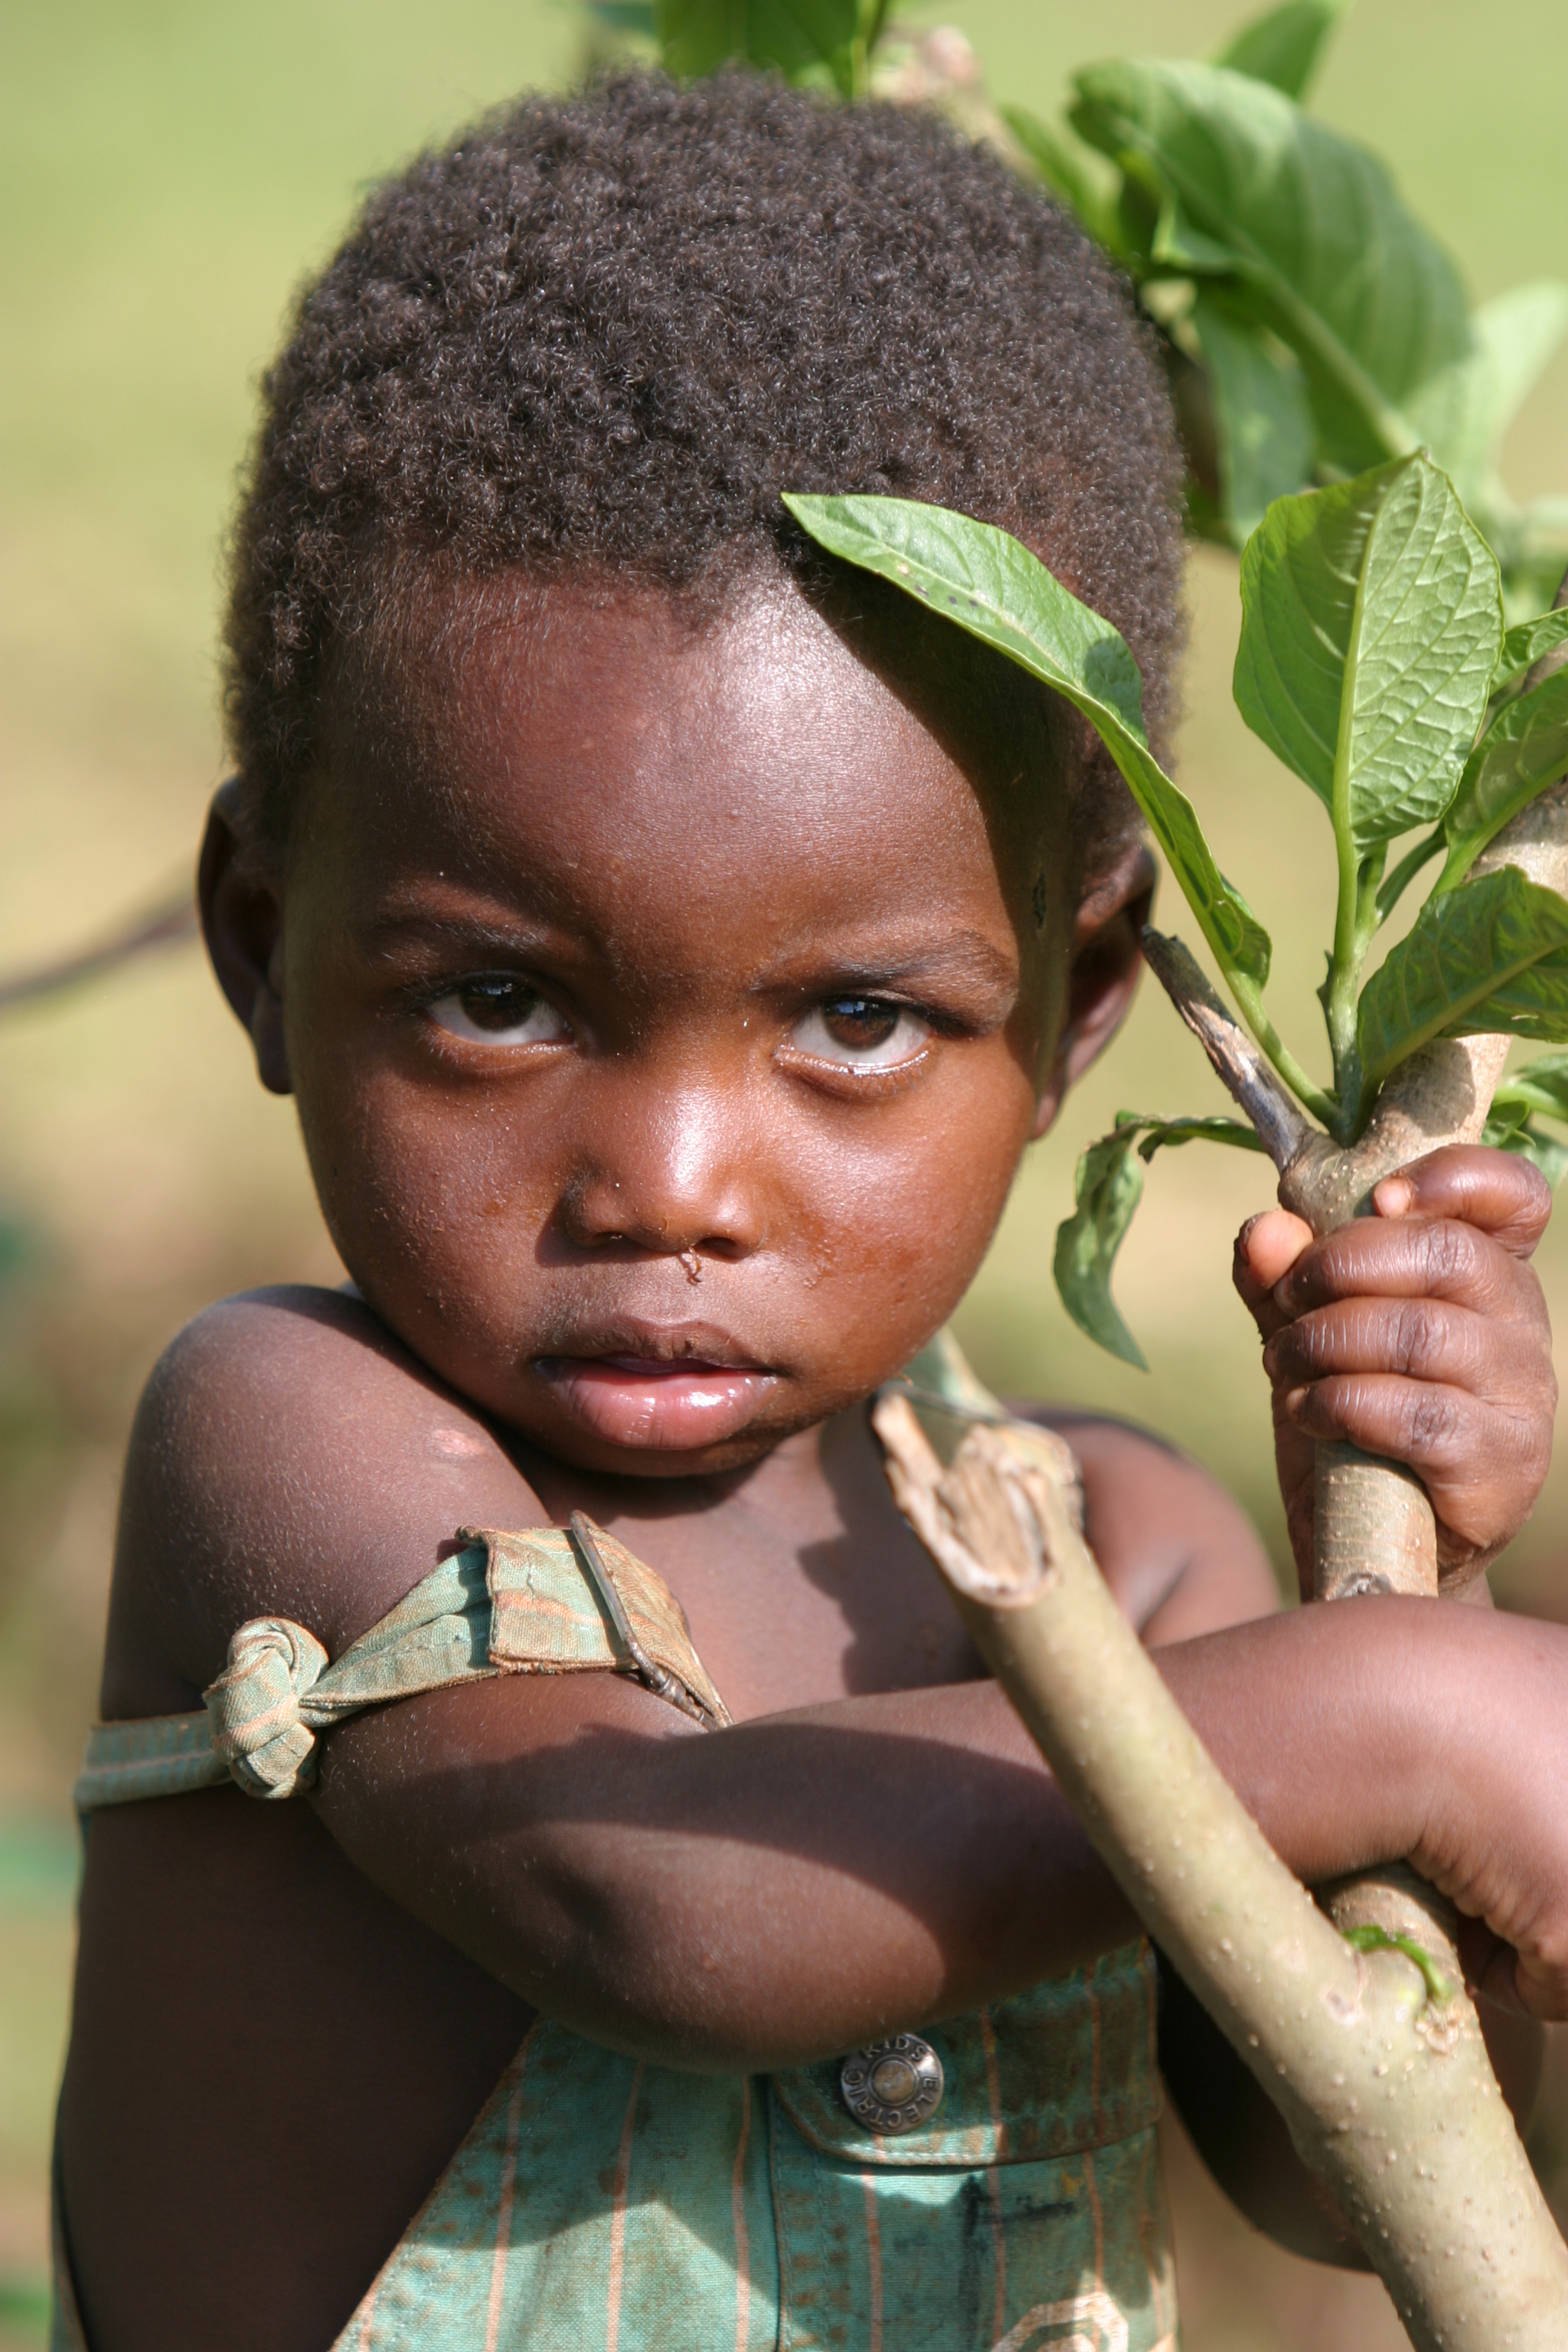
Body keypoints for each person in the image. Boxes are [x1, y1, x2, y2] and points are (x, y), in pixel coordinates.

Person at [51, 70, 1568, 2352]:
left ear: (1072, 1002)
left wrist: (1427, 1571)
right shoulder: (295, 1444)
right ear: (266, 943)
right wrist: (1413, 1711)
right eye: (495, 999)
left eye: (854, 1021)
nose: (669, 1185)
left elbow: (1363, 2160)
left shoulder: (1127, 1556)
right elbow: (658, 1906)